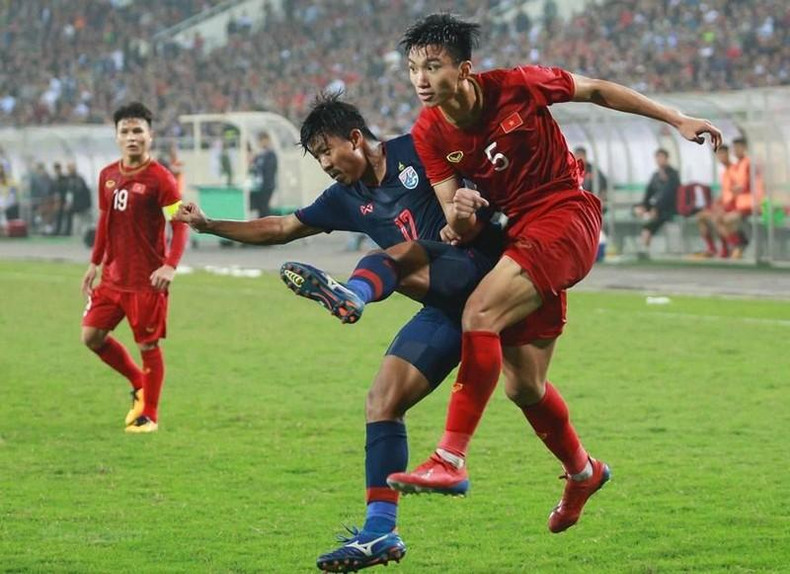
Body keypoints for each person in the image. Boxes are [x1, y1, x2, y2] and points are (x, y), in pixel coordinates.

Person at [386, 14, 722, 535]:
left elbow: (597, 91)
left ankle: (449, 459)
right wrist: (462, 212)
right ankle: (583, 472)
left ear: (466, 69)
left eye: (433, 65)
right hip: (522, 234)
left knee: (480, 312)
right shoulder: (428, 132)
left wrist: (675, 118)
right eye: (413, 68)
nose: (421, 79)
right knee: (524, 386)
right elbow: (454, 216)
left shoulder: (519, 85)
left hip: (566, 212)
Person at [174, 92, 503, 573]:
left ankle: (354, 294)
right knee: (382, 401)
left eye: (327, 150)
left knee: (390, 257)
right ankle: (380, 531)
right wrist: (207, 225)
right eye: (317, 156)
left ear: (355, 137)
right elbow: (281, 227)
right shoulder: (345, 198)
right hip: (444, 307)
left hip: (479, 273)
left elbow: (481, 168)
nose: (325, 163)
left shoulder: (418, 148)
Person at [80, 102, 188, 434]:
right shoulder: (107, 176)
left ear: (150, 136)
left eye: (137, 131)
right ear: (116, 137)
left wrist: (170, 266)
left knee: (148, 346)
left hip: (146, 282)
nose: (131, 137)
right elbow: (104, 221)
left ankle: (149, 415)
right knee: (92, 337)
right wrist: (94, 262)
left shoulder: (161, 180)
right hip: (112, 278)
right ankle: (140, 382)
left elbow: (180, 226)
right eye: (125, 131)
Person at [715, 137, 763, 259]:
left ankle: (739, 245)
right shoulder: (737, 166)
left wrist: (737, 189)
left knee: (726, 219)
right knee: (719, 219)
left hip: (751, 204)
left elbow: (748, 184)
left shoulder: (749, 163)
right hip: (740, 204)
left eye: (738, 148)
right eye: (734, 148)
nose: (735, 151)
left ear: (745, 148)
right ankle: (736, 246)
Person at [632, 148, 681, 257]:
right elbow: (648, 193)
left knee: (652, 222)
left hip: (669, 208)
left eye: (662, 157)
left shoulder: (673, 174)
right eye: (657, 157)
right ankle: (643, 246)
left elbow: (669, 195)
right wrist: (643, 206)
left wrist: (656, 208)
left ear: (667, 159)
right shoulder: (655, 175)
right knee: (636, 210)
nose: (659, 160)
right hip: (655, 207)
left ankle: (644, 247)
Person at [696, 144, 733, 258]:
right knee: (701, 216)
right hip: (724, 206)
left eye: (723, 154)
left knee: (716, 218)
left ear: (728, 154)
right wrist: (717, 203)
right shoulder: (724, 173)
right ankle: (711, 247)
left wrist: (723, 206)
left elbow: (736, 192)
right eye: (719, 154)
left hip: (732, 207)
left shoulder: (734, 169)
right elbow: (725, 192)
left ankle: (727, 247)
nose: (721, 157)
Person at [249, 131, 278, 217]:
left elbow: (271, 170)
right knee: (260, 207)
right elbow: (254, 169)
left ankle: (268, 225)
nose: (261, 143)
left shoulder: (271, 154)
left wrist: (265, 183)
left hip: (267, 185)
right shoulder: (259, 155)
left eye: (262, 140)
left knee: (264, 207)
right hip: (259, 186)